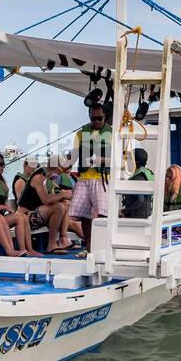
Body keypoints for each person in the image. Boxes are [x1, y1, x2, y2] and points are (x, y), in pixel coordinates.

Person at [68, 103, 112, 250]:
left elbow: (121, 160)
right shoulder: (81, 134)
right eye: (93, 118)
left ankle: (103, 247)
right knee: (82, 214)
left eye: (99, 118)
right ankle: (89, 247)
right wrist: (59, 169)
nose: (96, 121)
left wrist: (101, 160)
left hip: (102, 178)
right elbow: (73, 156)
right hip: (84, 178)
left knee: (103, 214)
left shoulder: (112, 134)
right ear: (89, 116)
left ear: (105, 117)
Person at [15, 154, 72, 253]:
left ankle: (63, 239)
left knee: (66, 204)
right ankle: (52, 244)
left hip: (37, 212)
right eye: (61, 170)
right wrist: (63, 194)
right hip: (27, 216)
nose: (61, 173)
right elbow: (46, 200)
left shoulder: (47, 177)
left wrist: (63, 196)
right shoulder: (38, 177)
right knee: (58, 207)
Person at [0, 152, 42, 256]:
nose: (3, 167)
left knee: (22, 217)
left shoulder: (1, 182)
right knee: (20, 217)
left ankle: (28, 249)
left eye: (4, 164)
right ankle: (21, 249)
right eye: (0, 164)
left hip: (1, 218)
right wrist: (2, 206)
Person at [120, 146, 156, 218]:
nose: (127, 161)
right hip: (147, 215)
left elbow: (140, 199)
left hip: (138, 217)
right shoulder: (147, 173)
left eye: (129, 159)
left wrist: (125, 211)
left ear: (135, 162)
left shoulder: (139, 177)